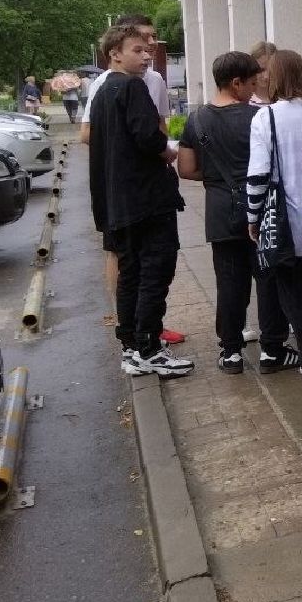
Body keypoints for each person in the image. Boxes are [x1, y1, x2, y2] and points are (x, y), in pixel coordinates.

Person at [177, 51, 296, 376]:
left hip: (220, 211)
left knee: (229, 284)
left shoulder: (197, 119)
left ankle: (230, 352)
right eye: (253, 83)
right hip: (261, 209)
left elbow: (186, 169)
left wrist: (215, 177)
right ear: (236, 82)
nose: (256, 89)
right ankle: (273, 351)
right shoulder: (259, 117)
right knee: (268, 280)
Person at [87, 24, 191, 378]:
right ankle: (148, 347)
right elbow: (149, 137)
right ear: (115, 53)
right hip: (147, 200)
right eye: (137, 49)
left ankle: (131, 346)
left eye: (147, 49)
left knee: (131, 274)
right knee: (155, 271)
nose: (146, 55)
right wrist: (168, 152)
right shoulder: (130, 86)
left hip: (120, 203)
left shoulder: (102, 90)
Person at [247, 49, 302, 381]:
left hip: (286, 223)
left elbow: (258, 174)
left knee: (294, 294)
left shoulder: (265, 118)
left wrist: (253, 217)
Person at [248, 40, 277, 105]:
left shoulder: (285, 99)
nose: (266, 76)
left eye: (271, 70)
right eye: (261, 70)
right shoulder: (244, 101)